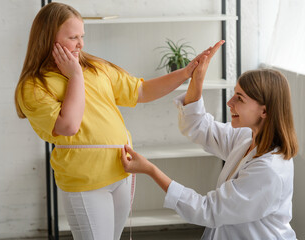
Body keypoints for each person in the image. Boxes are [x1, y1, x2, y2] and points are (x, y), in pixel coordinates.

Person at [14, 2, 223, 240]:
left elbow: (141, 91)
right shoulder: (34, 85)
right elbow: (69, 125)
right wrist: (74, 76)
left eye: (82, 36)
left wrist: (187, 73)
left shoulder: (96, 68)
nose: (81, 43)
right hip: (85, 179)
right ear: (48, 39)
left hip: (121, 172)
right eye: (73, 37)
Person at [121, 54, 299, 238]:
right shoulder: (247, 138)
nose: (230, 102)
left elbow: (208, 211)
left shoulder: (269, 170)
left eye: (240, 98)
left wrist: (151, 170)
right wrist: (197, 78)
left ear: (264, 110)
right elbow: (200, 127)